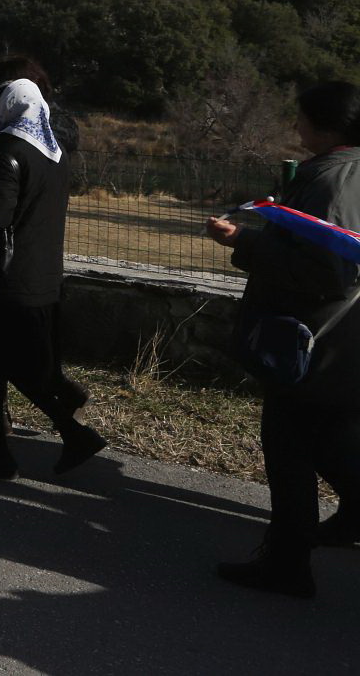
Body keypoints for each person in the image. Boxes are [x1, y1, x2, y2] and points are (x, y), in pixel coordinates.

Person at [206, 81, 360, 598]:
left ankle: (288, 565)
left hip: (315, 341)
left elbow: (329, 270)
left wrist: (244, 241)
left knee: (288, 447)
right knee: (334, 439)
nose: (295, 125)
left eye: (301, 116)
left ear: (326, 124)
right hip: (343, 341)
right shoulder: (346, 171)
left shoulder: (332, 179)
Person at [0, 58, 102, 481]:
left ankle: (12, 450)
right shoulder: (53, 152)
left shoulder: (8, 149)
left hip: (1, 278)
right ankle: (54, 436)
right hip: (40, 273)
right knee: (10, 365)